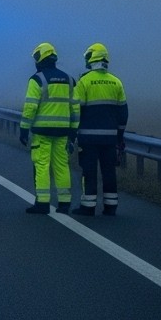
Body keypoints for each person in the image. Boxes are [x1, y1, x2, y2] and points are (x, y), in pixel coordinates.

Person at [20, 43, 80, 214]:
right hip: (63, 132)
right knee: (62, 166)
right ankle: (64, 203)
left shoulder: (37, 79)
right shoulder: (70, 80)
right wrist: (73, 132)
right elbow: (75, 109)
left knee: (42, 165)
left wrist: (24, 130)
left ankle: (43, 203)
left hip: (42, 131)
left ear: (40, 58)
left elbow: (30, 107)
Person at [72, 43, 128, 216]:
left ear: (91, 58)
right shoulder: (116, 81)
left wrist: (73, 132)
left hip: (88, 138)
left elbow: (76, 109)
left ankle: (88, 207)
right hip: (110, 139)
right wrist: (119, 136)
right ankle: (111, 207)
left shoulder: (84, 81)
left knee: (89, 172)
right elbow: (123, 113)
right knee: (109, 171)